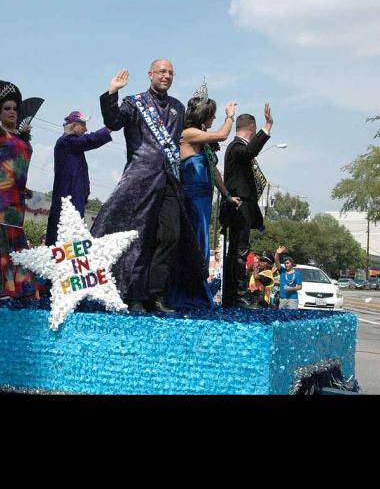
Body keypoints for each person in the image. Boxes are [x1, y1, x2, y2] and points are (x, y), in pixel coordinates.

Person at [90, 61, 211, 313]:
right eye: (162, 72)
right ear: (150, 75)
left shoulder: (178, 107)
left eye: (170, 73)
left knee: (171, 236)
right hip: (140, 180)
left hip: (169, 181)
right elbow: (114, 122)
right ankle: (134, 295)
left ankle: (157, 294)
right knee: (139, 237)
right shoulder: (135, 103)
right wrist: (112, 93)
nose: (166, 76)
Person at [0, 76, 41, 299]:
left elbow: (17, 165)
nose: (12, 112)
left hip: (16, 196)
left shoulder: (21, 137)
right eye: (7, 108)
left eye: (15, 108)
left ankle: (19, 285)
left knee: (15, 236)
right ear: (0, 112)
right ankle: (1, 287)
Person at [179, 82, 241, 272]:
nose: (214, 118)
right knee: (194, 237)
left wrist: (227, 195)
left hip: (204, 198)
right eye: (212, 114)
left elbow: (213, 170)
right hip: (191, 197)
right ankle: (189, 281)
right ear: (203, 115)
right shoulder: (189, 134)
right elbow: (222, 135)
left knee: (202, 237)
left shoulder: (202, 140)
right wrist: (230, 116)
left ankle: (198, 279)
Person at [221, 105, 274, 308]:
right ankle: (238, 295)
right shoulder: (237, 147)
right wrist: (267, 127)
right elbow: (250, 151)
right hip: (238, 206)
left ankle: (233, 296)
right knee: (239, 252)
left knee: (238, 251)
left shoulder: (237, 148)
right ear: (252, 127)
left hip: (244, 206)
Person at [45, 111, 112, 245]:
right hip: (68, 198)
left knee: (73, 236)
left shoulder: (73, 145)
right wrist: (110, 128)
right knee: (62, 236)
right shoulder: (66, 142)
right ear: (73, 126)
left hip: (74, 197)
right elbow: (90, 140)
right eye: (83, 126)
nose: (86, 129)